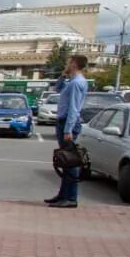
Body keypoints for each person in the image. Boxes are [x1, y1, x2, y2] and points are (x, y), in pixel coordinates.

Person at [45, 54, 88, 209]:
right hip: (63, 122)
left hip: (68, 123)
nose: (67, 64)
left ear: (75, 64)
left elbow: (74, 108)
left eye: (69, 62)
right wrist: (63, 76)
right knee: (65, 160)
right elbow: (58, 89)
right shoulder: (71, 81)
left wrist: (68, 129)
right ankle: (63, 195)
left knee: (70, 162)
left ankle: (71, 198)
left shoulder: (77, 83)